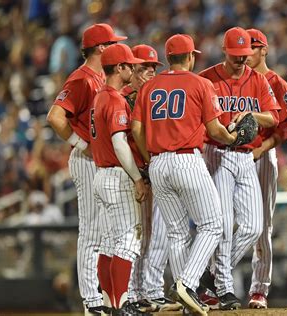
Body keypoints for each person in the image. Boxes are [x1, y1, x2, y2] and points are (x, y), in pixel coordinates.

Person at [131, 34, 240, 316]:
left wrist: (148, 157)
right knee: (213, 224)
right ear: (190, 57)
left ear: (168, 58)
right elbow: (215, 130)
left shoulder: (149, 87)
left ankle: (187, 304)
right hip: (186, 161)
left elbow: (137, 130)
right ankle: (188, 284)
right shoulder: (201, 83)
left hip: (157, 164)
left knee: (177, 233)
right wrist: (232, 138)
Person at [46, 23, 126, 314]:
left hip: (101, 162)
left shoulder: (102, 78)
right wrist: (84, 145)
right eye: (113, 43)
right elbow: (55, 117)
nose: (118, 47)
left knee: (107, 233)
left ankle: (104, 298)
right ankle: (91, 301)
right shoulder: (81, 79)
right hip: (87, 161)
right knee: (92, 232)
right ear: (102, 48)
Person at [198, 26, 280, 310]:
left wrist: (251, 114)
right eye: (236, 55)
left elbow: (273, 117)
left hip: (246, 156)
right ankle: (224, 287)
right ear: (224, 51)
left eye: (245, 55)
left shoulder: (257, 79)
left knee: (254, 226)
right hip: (217, 153)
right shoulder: (206, 78)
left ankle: (208, 275)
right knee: (222, 226)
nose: (241, 60)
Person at [121, 44, 182, 313]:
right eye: (143, 67)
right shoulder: (122, 97)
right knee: (137, 237)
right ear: (131, 69)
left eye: (152, 67)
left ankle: (151, 290)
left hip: (155, 171)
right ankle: (133, 292)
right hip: (132, 174)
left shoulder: (158, 95)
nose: (148, 71)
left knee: (159, 234)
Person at [90, 43, 149, 315]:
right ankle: (122, 304)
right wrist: (137, 177)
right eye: (129, 65)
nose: (133, 69)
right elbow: (119, 142)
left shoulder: (99, 97)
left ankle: (107, 303)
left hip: (101, 175)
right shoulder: (114, 98)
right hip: (116, 175)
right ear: (120, 68)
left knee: (107, 243)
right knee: (127, 241)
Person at [245, 28, 287, 309]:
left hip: (262, 157)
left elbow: (285, 129)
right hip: (234, 157)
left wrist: (261, 149)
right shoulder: (237, 80)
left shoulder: (276, 82)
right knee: (223, 224)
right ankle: (217, 285)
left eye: (252, 48)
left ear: (264, 49)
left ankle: (259, 289)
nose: (247, 54)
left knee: (263, 225)